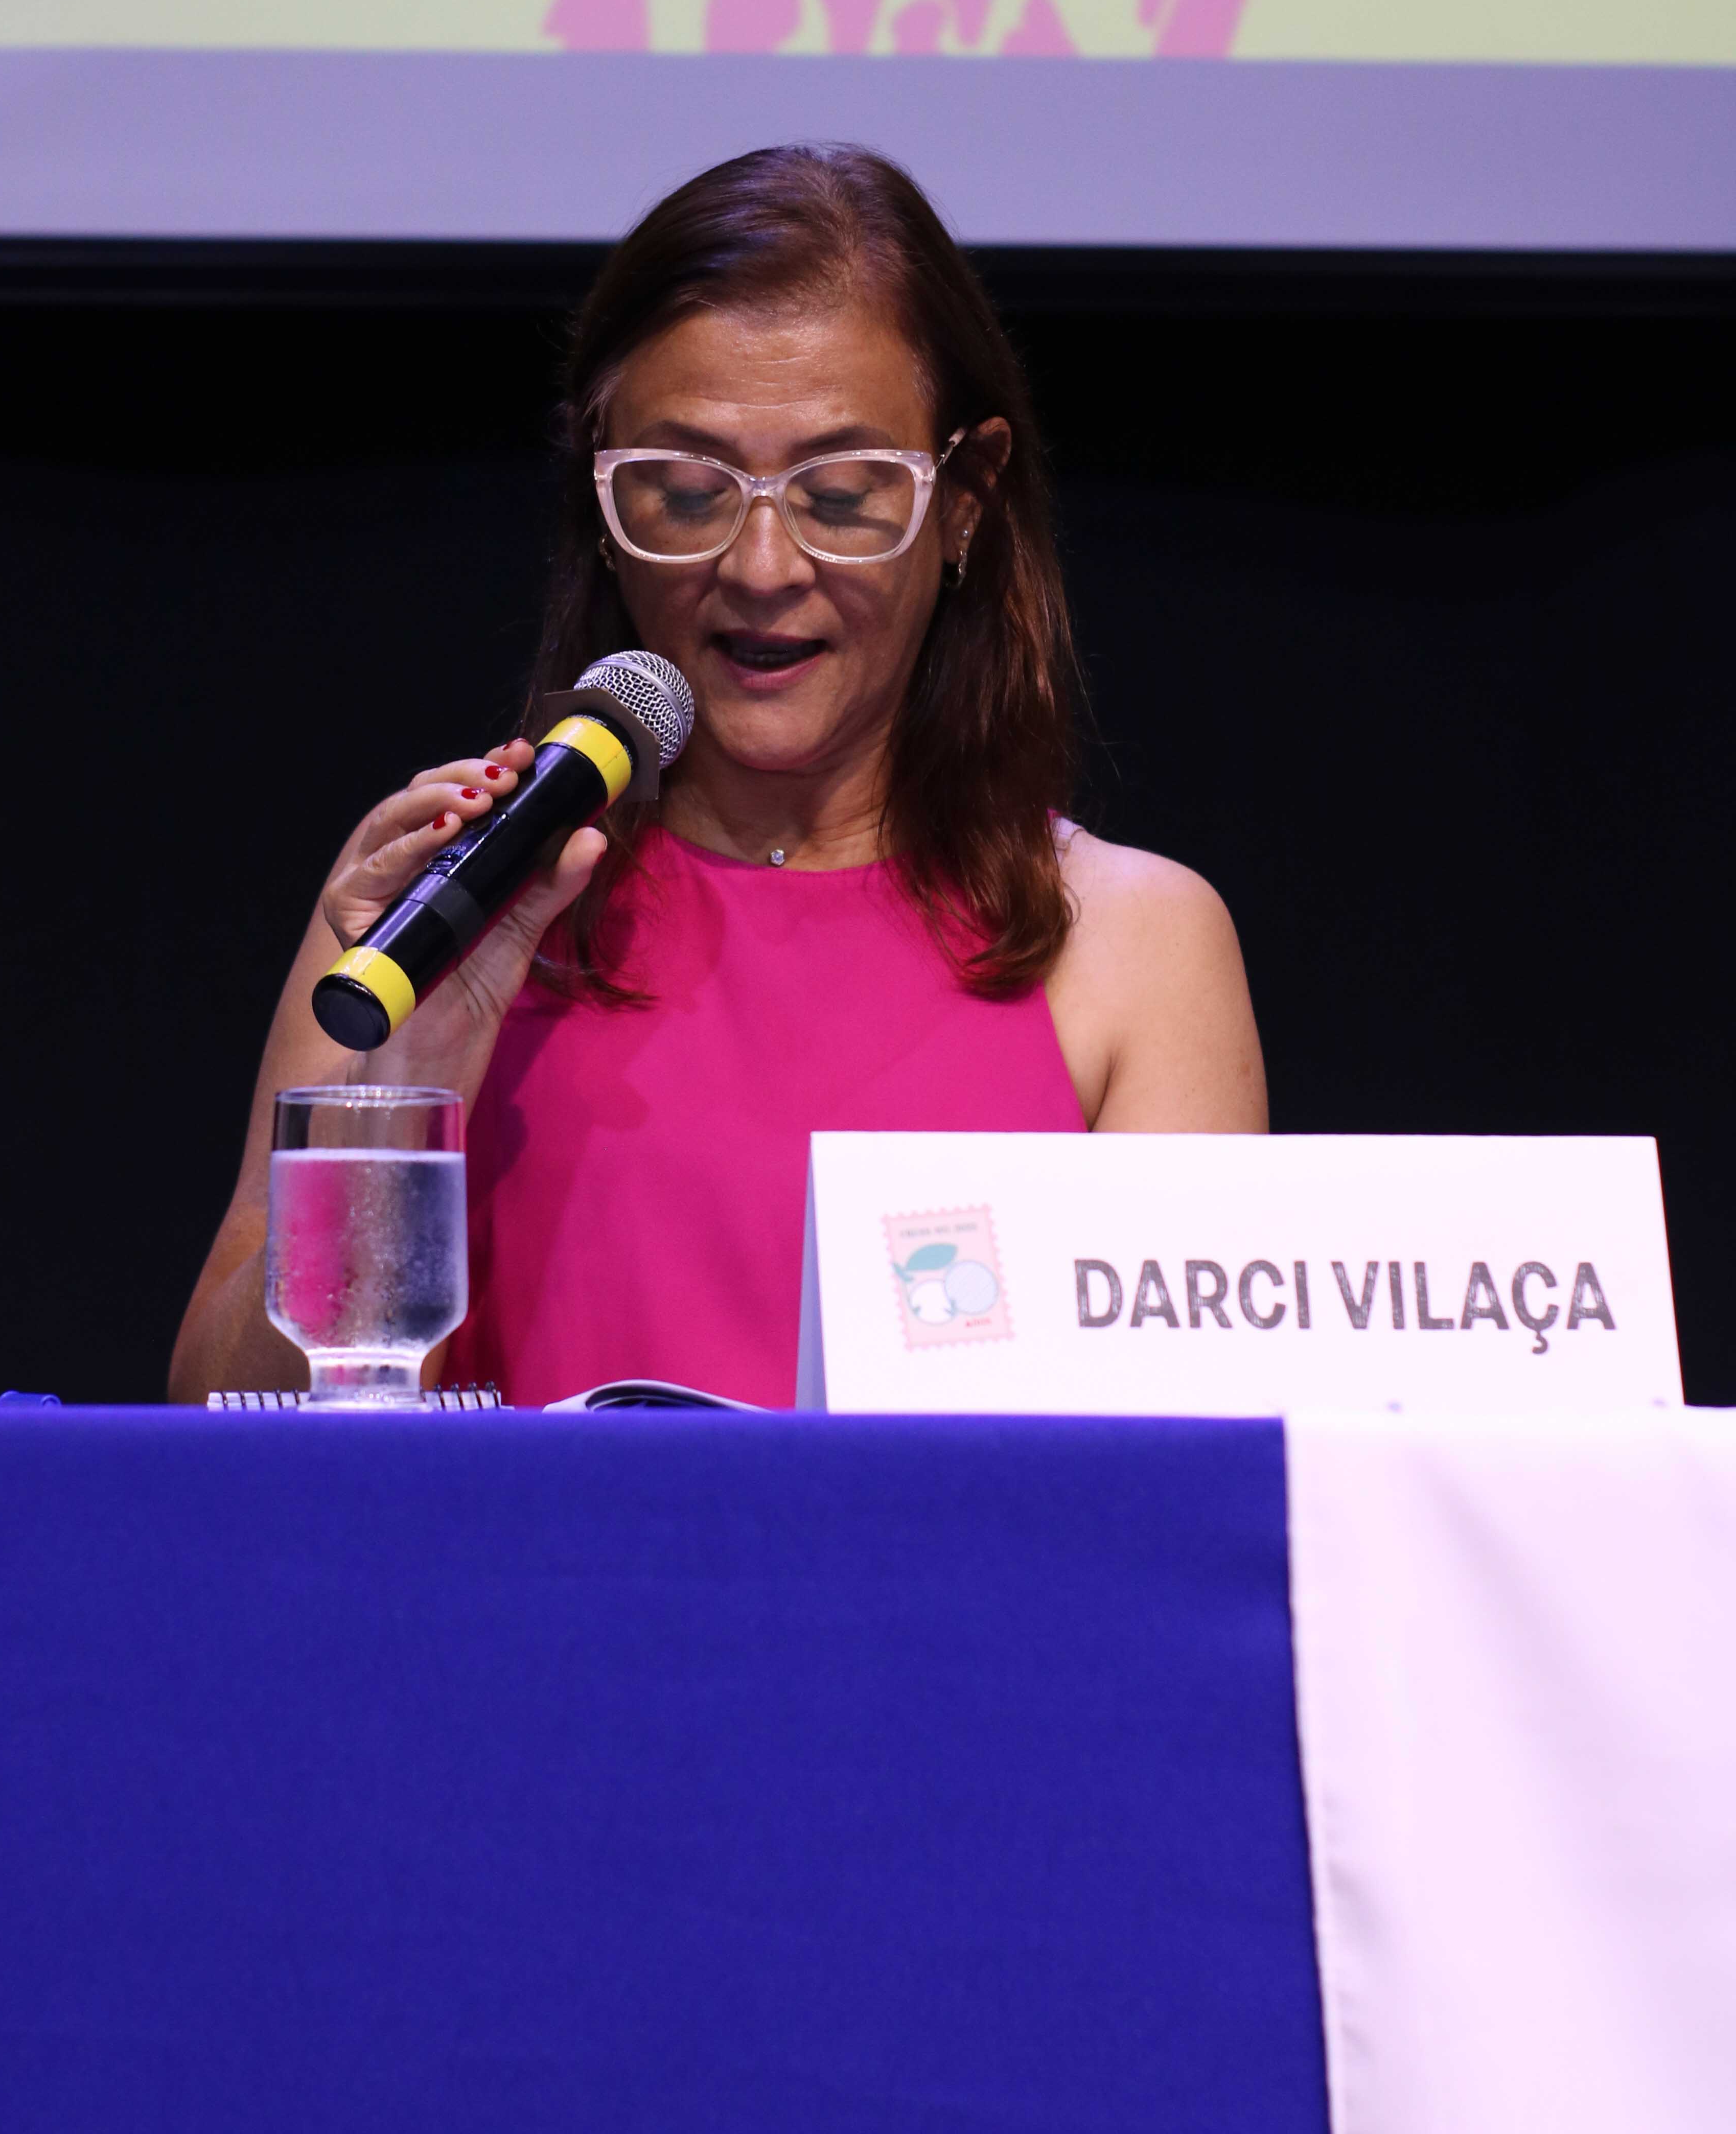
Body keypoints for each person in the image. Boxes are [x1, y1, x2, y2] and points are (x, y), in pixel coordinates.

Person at [172, 146, 1265, 1408]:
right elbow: (220, 1422)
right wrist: (407, 1090)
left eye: (839, 497)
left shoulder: (1130, 944)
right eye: (687, 494)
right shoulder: (439, 902)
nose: (759, 567)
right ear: (602, 501)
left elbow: (1186, 1475)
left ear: (964, 498)